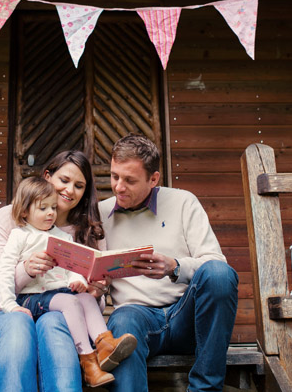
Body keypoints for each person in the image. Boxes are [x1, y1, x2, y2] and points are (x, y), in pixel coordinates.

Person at [98, 134, 239, 392]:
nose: (118, 187)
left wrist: (175, 267)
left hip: (186, 315)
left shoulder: (184, 202)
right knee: (122, 320)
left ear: (153, 179)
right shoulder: (100, 214)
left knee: (219, 274)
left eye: (129, 180)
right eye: (114, 176)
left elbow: (216, 263)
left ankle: (205, 390)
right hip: (136, 319)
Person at [0, 150, 111, 391]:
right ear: (47, 177)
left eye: (79, 185)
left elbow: (92, 303)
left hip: (63, 315)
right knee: (18, 323)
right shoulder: (10, 219)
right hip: (10, 315)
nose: (70, 190)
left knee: (54, 324)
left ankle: (89, 363)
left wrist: (95, 292)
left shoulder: (88, 230)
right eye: (64, 180)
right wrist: (26, 270)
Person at [0, 176, 137, 388]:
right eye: (43, 208)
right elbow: (5, 270)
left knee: (86, 300)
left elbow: (70, 268)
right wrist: (9, 303)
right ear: (24, 211)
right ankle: (89, 363)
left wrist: (77, 280)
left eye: (53, 207)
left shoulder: (62, 237)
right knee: (71, 302)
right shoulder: (20, 235)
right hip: (31, 298)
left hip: (59, 295)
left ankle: (105, 344)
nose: (51, 213)